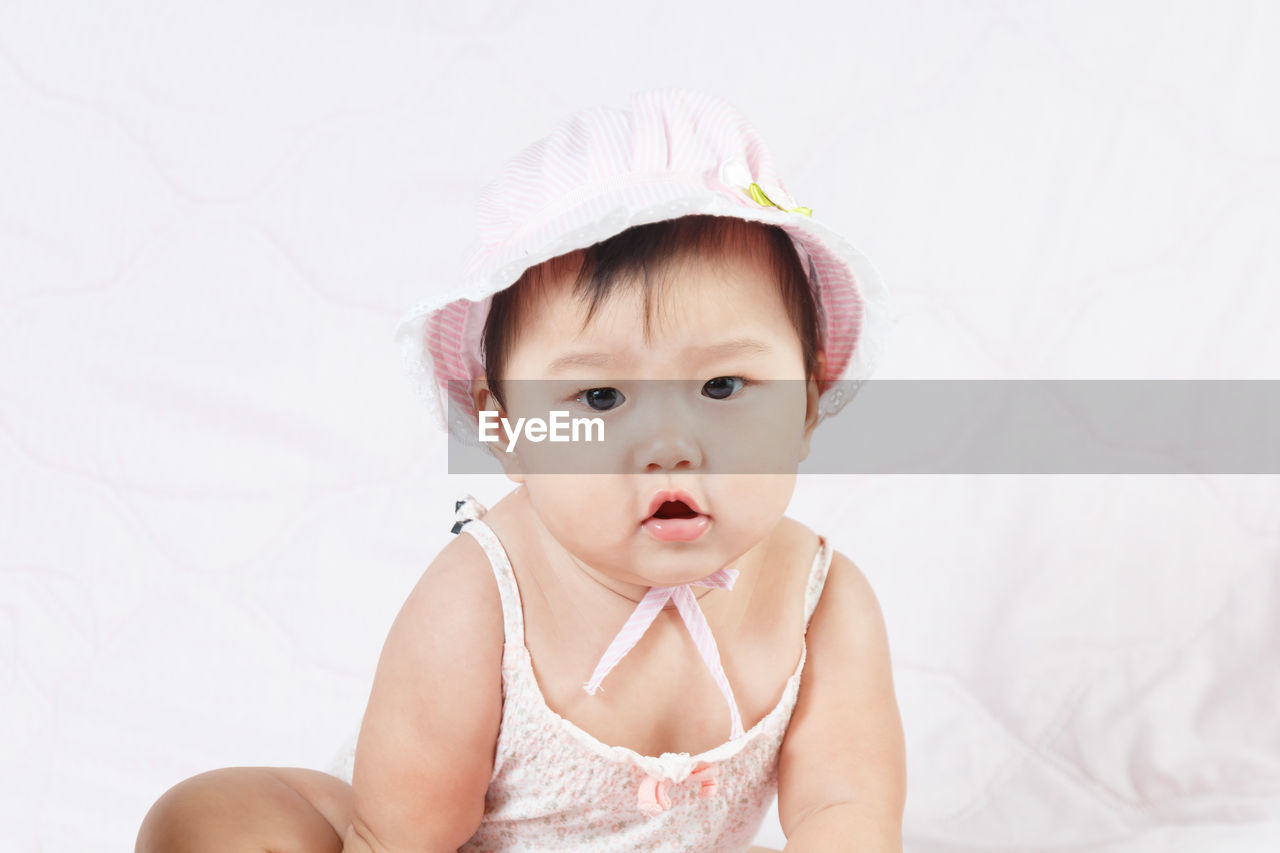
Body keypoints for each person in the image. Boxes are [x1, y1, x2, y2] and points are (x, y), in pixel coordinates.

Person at [136, 88, 907, 853]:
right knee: (212, 819)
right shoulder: (481, 597)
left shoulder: (823, 603)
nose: (670, 445)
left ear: (808, 401)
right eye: (601, 396)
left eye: (723, 387)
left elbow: (846, 810)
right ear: (505, 425)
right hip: (424, 839)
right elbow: (402, 834)